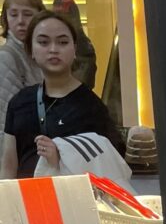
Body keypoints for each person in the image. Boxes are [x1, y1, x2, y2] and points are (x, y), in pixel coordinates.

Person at [1, 11, 122, 179]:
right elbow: (8, 167)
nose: (53, 49)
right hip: (27, 201)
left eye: (63, 42)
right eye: (43, 42)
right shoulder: (19, 102)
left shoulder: (91, 107)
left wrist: (63, 156)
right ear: (31, 51)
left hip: (72, 202)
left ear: (74, 50)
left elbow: (105, 166)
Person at [0, 0, 44, 149]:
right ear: (6, 19)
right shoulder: (6, 57)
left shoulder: (36, 54)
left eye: (27, 14)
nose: (20, 21)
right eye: (13, 14)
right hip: (20, 149)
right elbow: (9, 118)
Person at [52, 0, 97, 88]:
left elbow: (83, 81)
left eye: (65, 16)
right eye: (57, 16)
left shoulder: (83, 45)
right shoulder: (50, 42)